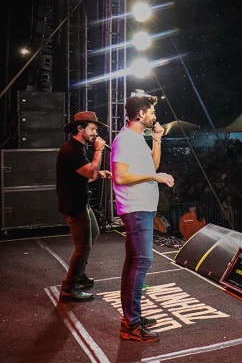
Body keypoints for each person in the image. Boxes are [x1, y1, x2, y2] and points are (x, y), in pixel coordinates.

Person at [111, 94, 175, 342]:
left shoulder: (137, 138)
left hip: (142, 207)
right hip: (135, 208)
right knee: (142, 261)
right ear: (140, 114)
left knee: (134, 262)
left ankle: (131, 317)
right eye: (151, 113)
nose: (154, 117)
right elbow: (120, 176)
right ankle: (132, 324)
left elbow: (152, 166)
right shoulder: (125, 139)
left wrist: (157, 140)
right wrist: (155, 178)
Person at [56, 111, 112, 302]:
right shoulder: (72, 150)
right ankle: (69, 288)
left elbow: (78, 176)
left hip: (80, 201)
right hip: (75, 205)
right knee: (83, 248)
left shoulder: (77, 148)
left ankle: (79, 275)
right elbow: (90, 174)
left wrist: (99, 172)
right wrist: (98, 151)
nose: (96, 133)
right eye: (93, 129)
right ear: (80, 128)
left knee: (93, 232)